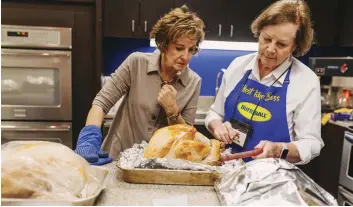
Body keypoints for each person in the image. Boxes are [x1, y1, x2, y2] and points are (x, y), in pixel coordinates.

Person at [75, 5, 205, 165]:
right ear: (163, 44)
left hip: (158, 167)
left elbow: (187, 136)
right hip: (117, 159)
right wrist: (88, 139)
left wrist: (172, 111)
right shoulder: (136, 63)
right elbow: (101, 103)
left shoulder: (193, 82)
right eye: (179, 48)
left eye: (191, 50)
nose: (185, 56)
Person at [205, 0, 324, 165]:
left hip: (272, 181)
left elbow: (311, 143)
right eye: (266, 39)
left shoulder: (306, 81)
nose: (270, 49)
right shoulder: (238, 66)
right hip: (227, 170)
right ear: (259, 31)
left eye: (281, 44)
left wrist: (279, 149)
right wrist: (217, 126)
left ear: (295, 46)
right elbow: (214, 113)